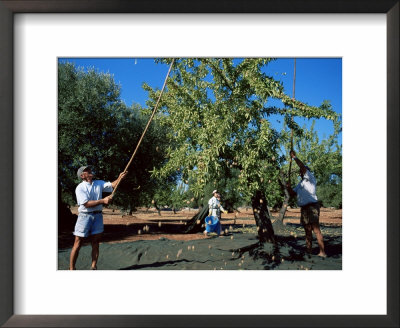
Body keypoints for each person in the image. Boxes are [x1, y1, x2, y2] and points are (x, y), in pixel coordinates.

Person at [69, 166, 127, 270]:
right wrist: (102, 201)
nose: (90, 171)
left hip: (98, 216)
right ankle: (72, 269)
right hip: (84, 217)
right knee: (77, 242)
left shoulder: (98, 183)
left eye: (90, 169)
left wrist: (119, 178)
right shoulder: (80, 188)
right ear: (82, 175)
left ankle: (93, 267)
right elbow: (86, 204)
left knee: (96, 242)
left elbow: (113, 185)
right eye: (87, 170)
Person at [286, 151, 327, 257]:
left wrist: (294, 157)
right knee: (307, 230)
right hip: (304, 208)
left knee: (316, 229)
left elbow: (302, 167)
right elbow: (292, 193)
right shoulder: (300, 184)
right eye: (301, 171)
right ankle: (309, 251)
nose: (301, 171)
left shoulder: (310, 178)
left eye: (302, 170)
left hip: (312, 206)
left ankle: (322, 252)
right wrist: (288, 187)